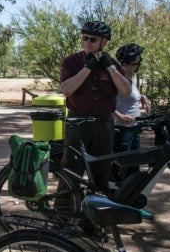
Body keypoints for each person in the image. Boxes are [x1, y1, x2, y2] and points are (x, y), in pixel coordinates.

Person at [59, 20, 131, 195]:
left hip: (103, 125)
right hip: (78, 122)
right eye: (84, 38)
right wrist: (87, 68)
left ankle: (96, 219)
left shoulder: (111, 64)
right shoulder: (72, 62)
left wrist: (111, 69)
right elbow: (67, 90)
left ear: (104, 42)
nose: (87, 43)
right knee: (70, 171)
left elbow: (126, 91)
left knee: (101, 173)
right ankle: (63, 217)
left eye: (92, 39)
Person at [112, 43, 151, 180]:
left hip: (134, 129)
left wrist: (143, 97)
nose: (139, 61)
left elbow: (130, 96)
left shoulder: (131, 78)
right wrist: (119, 115)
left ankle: (130, 198)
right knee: (121, 168)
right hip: (121, 130)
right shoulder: (118, 79)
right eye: (138, 58)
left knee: (134, 167)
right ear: (133, 60)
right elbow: (107, 101)